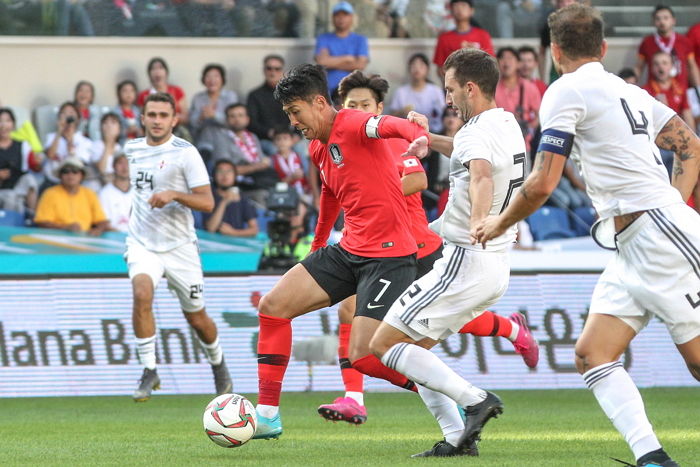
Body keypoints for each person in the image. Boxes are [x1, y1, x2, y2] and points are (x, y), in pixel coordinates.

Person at [473, 5, 700, 466]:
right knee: (592, 354)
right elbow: (690, 145)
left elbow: (542, 183)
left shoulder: (564, 90)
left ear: (554, 51)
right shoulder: (631, 92)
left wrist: (499, 222)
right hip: (631, 247)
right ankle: (652, 458)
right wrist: (674, 199)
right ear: (603, 47)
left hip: (660, 236)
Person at [252, 63, 431, 440]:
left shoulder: (353, 122)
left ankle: (452, 393)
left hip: (391, 252)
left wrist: (417, 132)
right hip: (349, 249)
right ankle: (267, 416)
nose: (293, 122)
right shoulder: (319, 146)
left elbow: (389, 126)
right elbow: (331, 195)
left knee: (366, 354)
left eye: (295, 112)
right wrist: (318, 247)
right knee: (272, 307)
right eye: (287, 115)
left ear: (319, 103)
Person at [368, 47, 529, 458]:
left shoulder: (476, 134)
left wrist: (477, 219)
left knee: (384, 344)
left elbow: (480, 175)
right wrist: (429, 142)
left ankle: (476, 400)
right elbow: (468, 151)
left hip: (465, 257)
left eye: (451, 89)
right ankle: (458, 439)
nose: (447, 99)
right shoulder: (504, 122)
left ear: (470, 87)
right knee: (415, 350)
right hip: (494, 263)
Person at [123, 92, 232, 402]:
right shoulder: (130, 150)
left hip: (180, 247)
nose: (157, 120)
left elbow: (207, 202)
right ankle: (149, 369)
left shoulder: (186, 153)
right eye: (151, 114)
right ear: (142, 118)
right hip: (142, 242)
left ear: (174, 120)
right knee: (141, 292)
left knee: (196, 318)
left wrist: (173, 194)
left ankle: (218, 363)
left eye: (163, 115)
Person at [209, 103, 278, 207]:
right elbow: (225, 171)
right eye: (232, 116)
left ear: (247, 119)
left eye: (240, 115)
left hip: (259, 181)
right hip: (239, 185)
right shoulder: (221, 139)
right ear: (227, 120)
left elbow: (262, 160)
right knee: (262, 196)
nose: (237, 119)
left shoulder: (253, 137)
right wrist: (257, 166)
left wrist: (263, 164)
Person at [34, 157, 110, 235]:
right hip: (56, 239)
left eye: (75, 171)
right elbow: (41, 222)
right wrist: (66, 227)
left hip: (84, 241)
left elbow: (102, 220)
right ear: (60, 175)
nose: (70, 175)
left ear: (82, 175)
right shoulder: (50, 193)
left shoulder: (89, 194)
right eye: (66, 171)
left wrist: (98, 229)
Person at [635, 5, 700, 89]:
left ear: (673, 20)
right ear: (653, 22)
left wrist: (698, 89)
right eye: (658, 19)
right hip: (655, 92)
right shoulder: (647, 42)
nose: (662, 22)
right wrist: (630, 83)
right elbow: (639, 67)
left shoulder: (685, 41)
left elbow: (692, 67)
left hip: (680, 93)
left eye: (666, 18)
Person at [314, 1, 369, 97]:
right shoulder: (323, 38)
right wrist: (347, 58)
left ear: (352, 17)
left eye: (345, 15)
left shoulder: (360, 40)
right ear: (332, 18)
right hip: (328, 92)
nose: (341, 18)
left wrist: (331, 62)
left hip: (352, 91)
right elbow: (322, 62)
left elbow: (360, 65)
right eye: (337, 15)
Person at [495, 47, 542, 154]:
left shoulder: (529, 87)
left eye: (510, 58)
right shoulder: (491, 88)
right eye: (502, 58)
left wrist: (528, 130)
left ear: (518, 64)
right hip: (497, 144)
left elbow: (540, 115)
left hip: (522, 144)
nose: (506, 62)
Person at [433, 0, 494, 81]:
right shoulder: (444, 38)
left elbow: (491, 64)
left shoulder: (483, 35)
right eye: (456, 5)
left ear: (471, 10)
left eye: (463, 5)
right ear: (451, 10)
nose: (459, 9)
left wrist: (476, 53)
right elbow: (440, 69)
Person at [389, 53, 446, 133]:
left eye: (421, 66)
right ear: (409, 69)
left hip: (434, 132)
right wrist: (402, 112)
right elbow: (391, 117)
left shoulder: (436, 91)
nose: (417, 69)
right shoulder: (401, 92)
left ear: (428, 70)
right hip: (408, 133)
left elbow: (444, 113)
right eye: (414, 66)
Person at [247, 55, 290, 155]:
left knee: (302, 150)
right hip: (266, 139)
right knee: (275, 152)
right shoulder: (255, 95)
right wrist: (268, 133)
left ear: (282, 71)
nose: (273, 72)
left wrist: (295, 136)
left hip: (289, 138)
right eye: (269, 68)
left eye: (277, 69)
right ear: (264, 70)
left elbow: (301, 117)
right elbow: (251, 123)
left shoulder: (291, 94)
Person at [203, 159, 258, 237]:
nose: (225, 175)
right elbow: (210, 228)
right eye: (220, 171)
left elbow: (254, 230)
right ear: (214, 175)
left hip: (236, 244)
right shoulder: (208, 197)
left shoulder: (242, 199)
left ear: (235, 176)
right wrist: (224, 202)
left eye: (229, 171)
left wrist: (233, 232)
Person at [43, 102, 93, 187]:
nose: (68, 116)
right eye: (64, 113)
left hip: (74, 183)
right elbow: (50, 155)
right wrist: (59, 131)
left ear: (78, 118)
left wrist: (70, 138)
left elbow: (77, 164)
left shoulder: (85, 142)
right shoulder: (51, 137)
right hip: (52, 182)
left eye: (71, 113)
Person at [189, 63, 239, 148]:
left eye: (216, 76)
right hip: (203, 139)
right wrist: (201, 117)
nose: (212, 80)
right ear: (203, 80)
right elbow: (192, 123)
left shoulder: (230, 96)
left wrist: (214, 115)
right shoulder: (198, 98)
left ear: (222, 79)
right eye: (208, 76)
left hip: (226, 140)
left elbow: (234, 121)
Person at [642, 51, 695, 130]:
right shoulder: (644, 91)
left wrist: (693, 139)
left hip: (677, 132)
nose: (660, 67)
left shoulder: (680, 88)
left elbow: (687, 115)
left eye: (664, 63)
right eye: (656, 64)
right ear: (652, 68)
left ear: (672, 66)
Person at [0, 107, 38, 214]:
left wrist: (37, 163)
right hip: (2, 188)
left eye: (7, 121)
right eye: (0, 121)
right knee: (10, 197)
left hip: (16, 185)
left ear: (13, 124)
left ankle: (31, 216)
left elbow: (32, 168)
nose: (3, 125)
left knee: (30, 180)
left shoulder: (23, 145)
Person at [137, 57, 189, 127]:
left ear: (166, 72)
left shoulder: (177, 91)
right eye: (153, 69)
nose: (157, 71)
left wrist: (169, 117)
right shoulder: (144, 95)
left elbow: (186, 117)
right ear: (149, 74)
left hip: (176, 129)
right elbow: (141, 119)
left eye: (160, 68)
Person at [88, 112, 123, 190]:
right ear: (101, 128)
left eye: (113, 122)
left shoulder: (119, 148)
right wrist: (108, 143)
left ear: (119, 129)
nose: (109, 126)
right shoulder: (96, 145)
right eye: (105, 122)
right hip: (97, 188)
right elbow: (102, 169)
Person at [99, 153, 132, 233]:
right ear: (113, 166)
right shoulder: (104, 193)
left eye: (128, 163)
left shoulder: (140, 192)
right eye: (120, 163)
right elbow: (104, 223)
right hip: (113, 238)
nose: (124, 167)